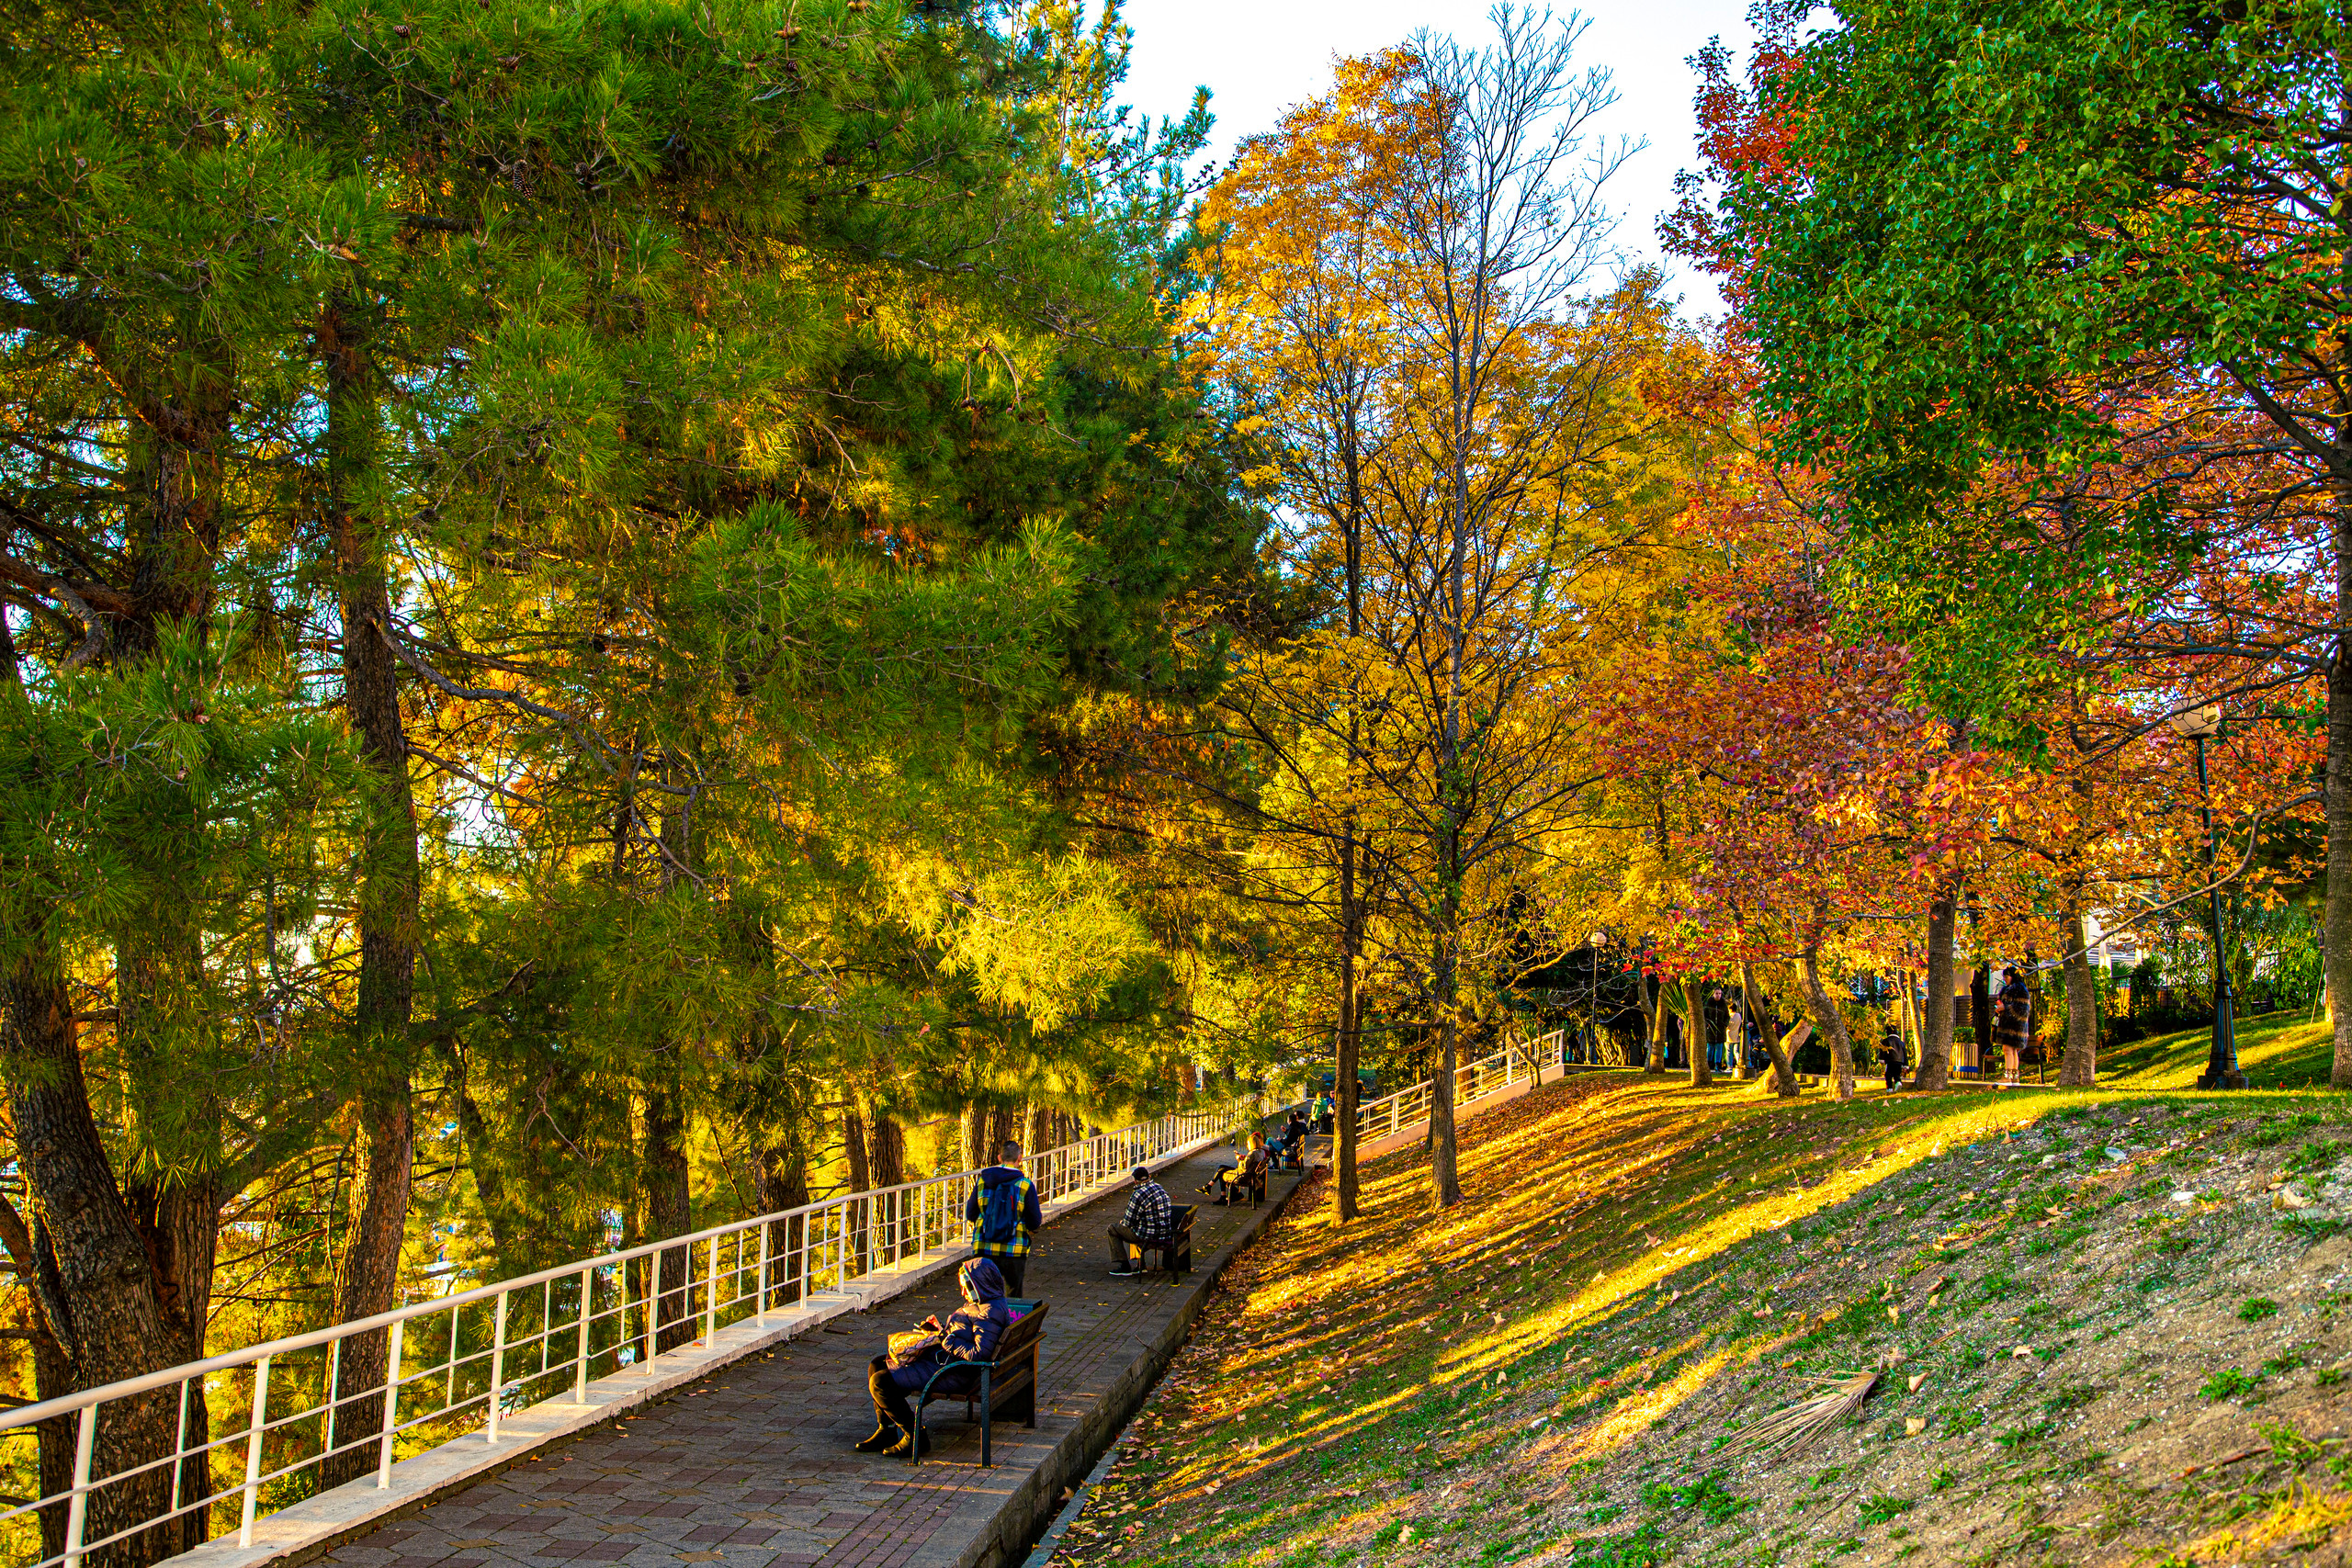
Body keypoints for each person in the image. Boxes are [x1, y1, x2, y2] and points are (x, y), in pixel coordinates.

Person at [858, 1257, 1014, 1457]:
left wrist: (944, 1338)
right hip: (947, 1362)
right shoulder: (987, 1304)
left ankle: (915, 1437)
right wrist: (939, 1331)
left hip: (954, 1372)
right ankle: (886, 1431)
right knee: (877, 1363)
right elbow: (968, 1337)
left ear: (978, 1285)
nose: (963, 1292)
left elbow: (978, 1354)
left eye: (966, 1287)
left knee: (880, 1382)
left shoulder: (988, 1312)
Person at [964, 1140, 1043, 1297]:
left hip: (984, 1247)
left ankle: (985, 1321)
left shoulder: (982, 1181)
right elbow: (1035, 1221)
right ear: (1019, 1158)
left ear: (999, 1158)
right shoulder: (1025, 1185)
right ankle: (1012, 1321)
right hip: (1014, 1249)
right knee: (1014, 1296)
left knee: (983, 1296)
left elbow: (970, 1214)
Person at [1108, 1165, 1170, 1276]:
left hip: (1148, 1236)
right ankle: (1141, 1265)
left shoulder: (1137, 1194)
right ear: (1149, 1177)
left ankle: (1124, 1265)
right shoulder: (1159, 1187)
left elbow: (1128, 1221)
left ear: (1135, 1181)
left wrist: (1123, 1223)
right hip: (1164, 1233)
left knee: (1113, 1229)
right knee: (1137, 1226)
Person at [1204, 1132, 1272, 1206]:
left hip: (1243, 1176)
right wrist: (1244, 1158)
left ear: (1252, 1144)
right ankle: (1210, 1187)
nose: (1247, 1145)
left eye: (1248, 1144)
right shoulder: (1261, 1152)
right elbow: (1250, 1163)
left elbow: (1244, 1166)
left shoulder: (1252, 1153)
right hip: (1251, 1174)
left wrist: (1238, 1159)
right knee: (1222, 1168)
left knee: (1221, 1173)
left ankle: (1224, 1196)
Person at [1995, 965, 2031, 1084]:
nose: (2005, 979)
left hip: (2015, 1025)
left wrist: (2005, 1007)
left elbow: (2022, 1008)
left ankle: (2007, 1077)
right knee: (2012, 1050)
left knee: (2008, 1049)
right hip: (2008, 1024)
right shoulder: (2008, 989)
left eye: (2006, 976)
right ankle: (2015, 1077)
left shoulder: (2019, 989)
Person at [1879, 1022, 1908, 1091]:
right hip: (1899, 1061)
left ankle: (1889, 1088)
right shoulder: (1901, 1042)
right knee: (1897, 1073)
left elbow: (1882, 1051)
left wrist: (1881, 1059)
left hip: (1890, 1061)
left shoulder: (1885, 1041)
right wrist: (1905, 1064)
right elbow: (1905, 1054)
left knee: (1888, 1074)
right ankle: (1898, 1082)